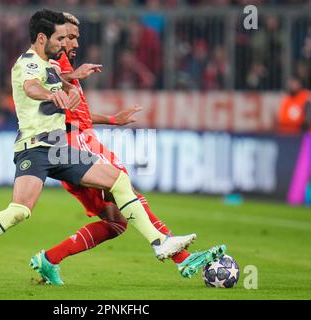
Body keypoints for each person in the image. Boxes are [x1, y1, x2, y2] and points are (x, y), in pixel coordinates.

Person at [0, 9, 197, 290]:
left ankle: (159, 243)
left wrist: (74, 83)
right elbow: (31, 88)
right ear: (42, 38)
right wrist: (53, 93)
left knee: (118, 179)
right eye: (59, 38)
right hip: (35, 149)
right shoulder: (27, 63)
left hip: (60, 151)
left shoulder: (51, 66)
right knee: (19, 211)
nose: (64, 44)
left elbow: (64, 92)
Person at [29, 12, 226, 285]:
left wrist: (112, 119)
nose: (73, 44)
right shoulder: (51, 61)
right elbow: (45, 80)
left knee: (116, 222)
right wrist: (73, 74)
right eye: (67, 37)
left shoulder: (60, 66)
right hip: (76, 142)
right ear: (53, 38)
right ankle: (175, 253)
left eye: (76, 38)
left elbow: (76, 111)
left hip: (69, 147)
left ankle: (49, 259)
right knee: (124, 186)